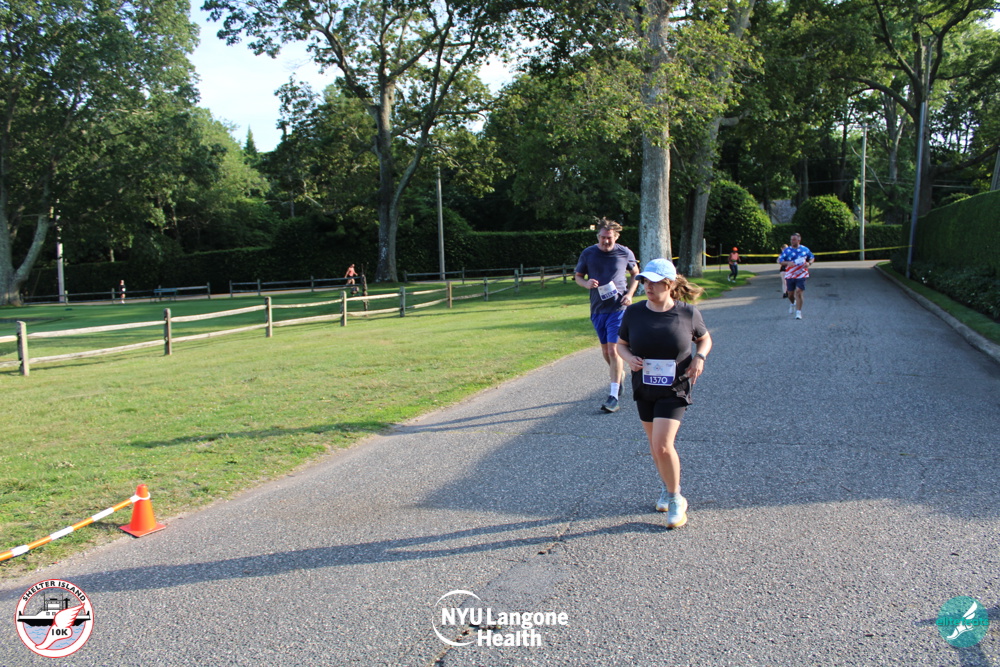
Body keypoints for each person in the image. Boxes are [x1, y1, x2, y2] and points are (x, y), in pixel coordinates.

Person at [616, 258, 712, 529]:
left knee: (662, 444)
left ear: (669, 284)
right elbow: (621, 344)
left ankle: (676, 498)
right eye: (645, 281)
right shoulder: (634, 313)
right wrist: (629, 358)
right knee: (654, 446)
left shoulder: (688, 313)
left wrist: (700, 357)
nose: (647, 286)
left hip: (675, 387)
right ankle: (667, 486)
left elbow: (704, 338)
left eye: (654, 282)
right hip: (645, 386)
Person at [574, 218, 640, 413]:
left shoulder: (624, 252)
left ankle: (613, 396)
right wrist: (586, 284)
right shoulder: (588, 253)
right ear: (598, 236)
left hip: (618, 309)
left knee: (613, 350)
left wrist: (629, 294)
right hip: (597, 309)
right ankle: (618, 376)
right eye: (602, 237)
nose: (605, 241)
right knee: (606, 351)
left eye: (609, 238)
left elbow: (636, 274)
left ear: (616, 237)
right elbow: (578, 276)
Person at [778, 233, 815, 320]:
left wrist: (809, 263)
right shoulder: (787, 250)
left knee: (799, 292)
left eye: (794, 239)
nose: (792, 241)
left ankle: (798, 312)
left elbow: (812, 257)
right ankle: (792, 303)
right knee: (790, 294)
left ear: (799, 240)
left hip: (801, 274)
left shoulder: (804, 249)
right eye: (791, 240)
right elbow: (780, 261)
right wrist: (788, 263)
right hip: (790, 274)